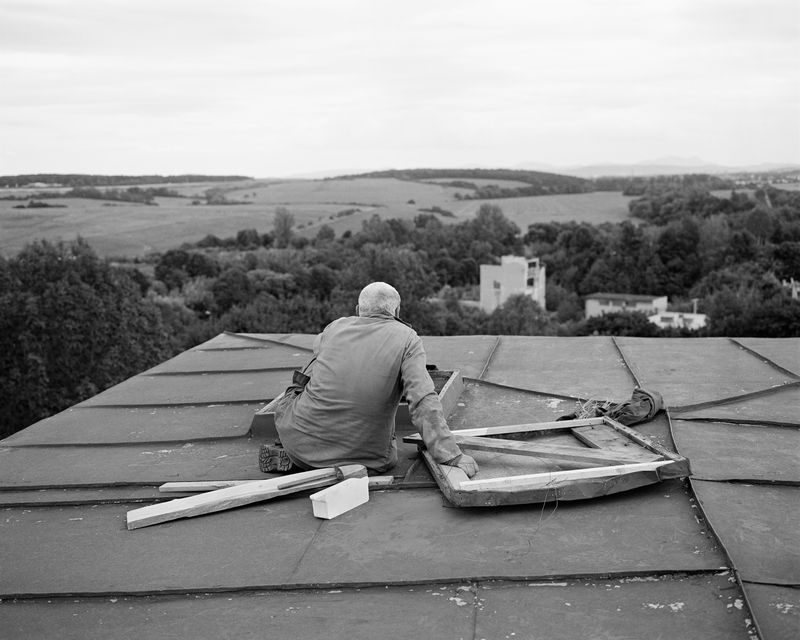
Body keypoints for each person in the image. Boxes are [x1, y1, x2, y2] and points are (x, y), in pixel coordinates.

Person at [263, 281, 478, 478]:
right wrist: (450, 455)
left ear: (358, 311)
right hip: (368, 461)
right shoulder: (408, 339)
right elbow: (422, 399)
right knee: (386, 439)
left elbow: (315, 371)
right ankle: (338, 457)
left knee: (305, 377)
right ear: (397, 312)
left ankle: (299, 452)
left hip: (299, 447)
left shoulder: (334, 328)